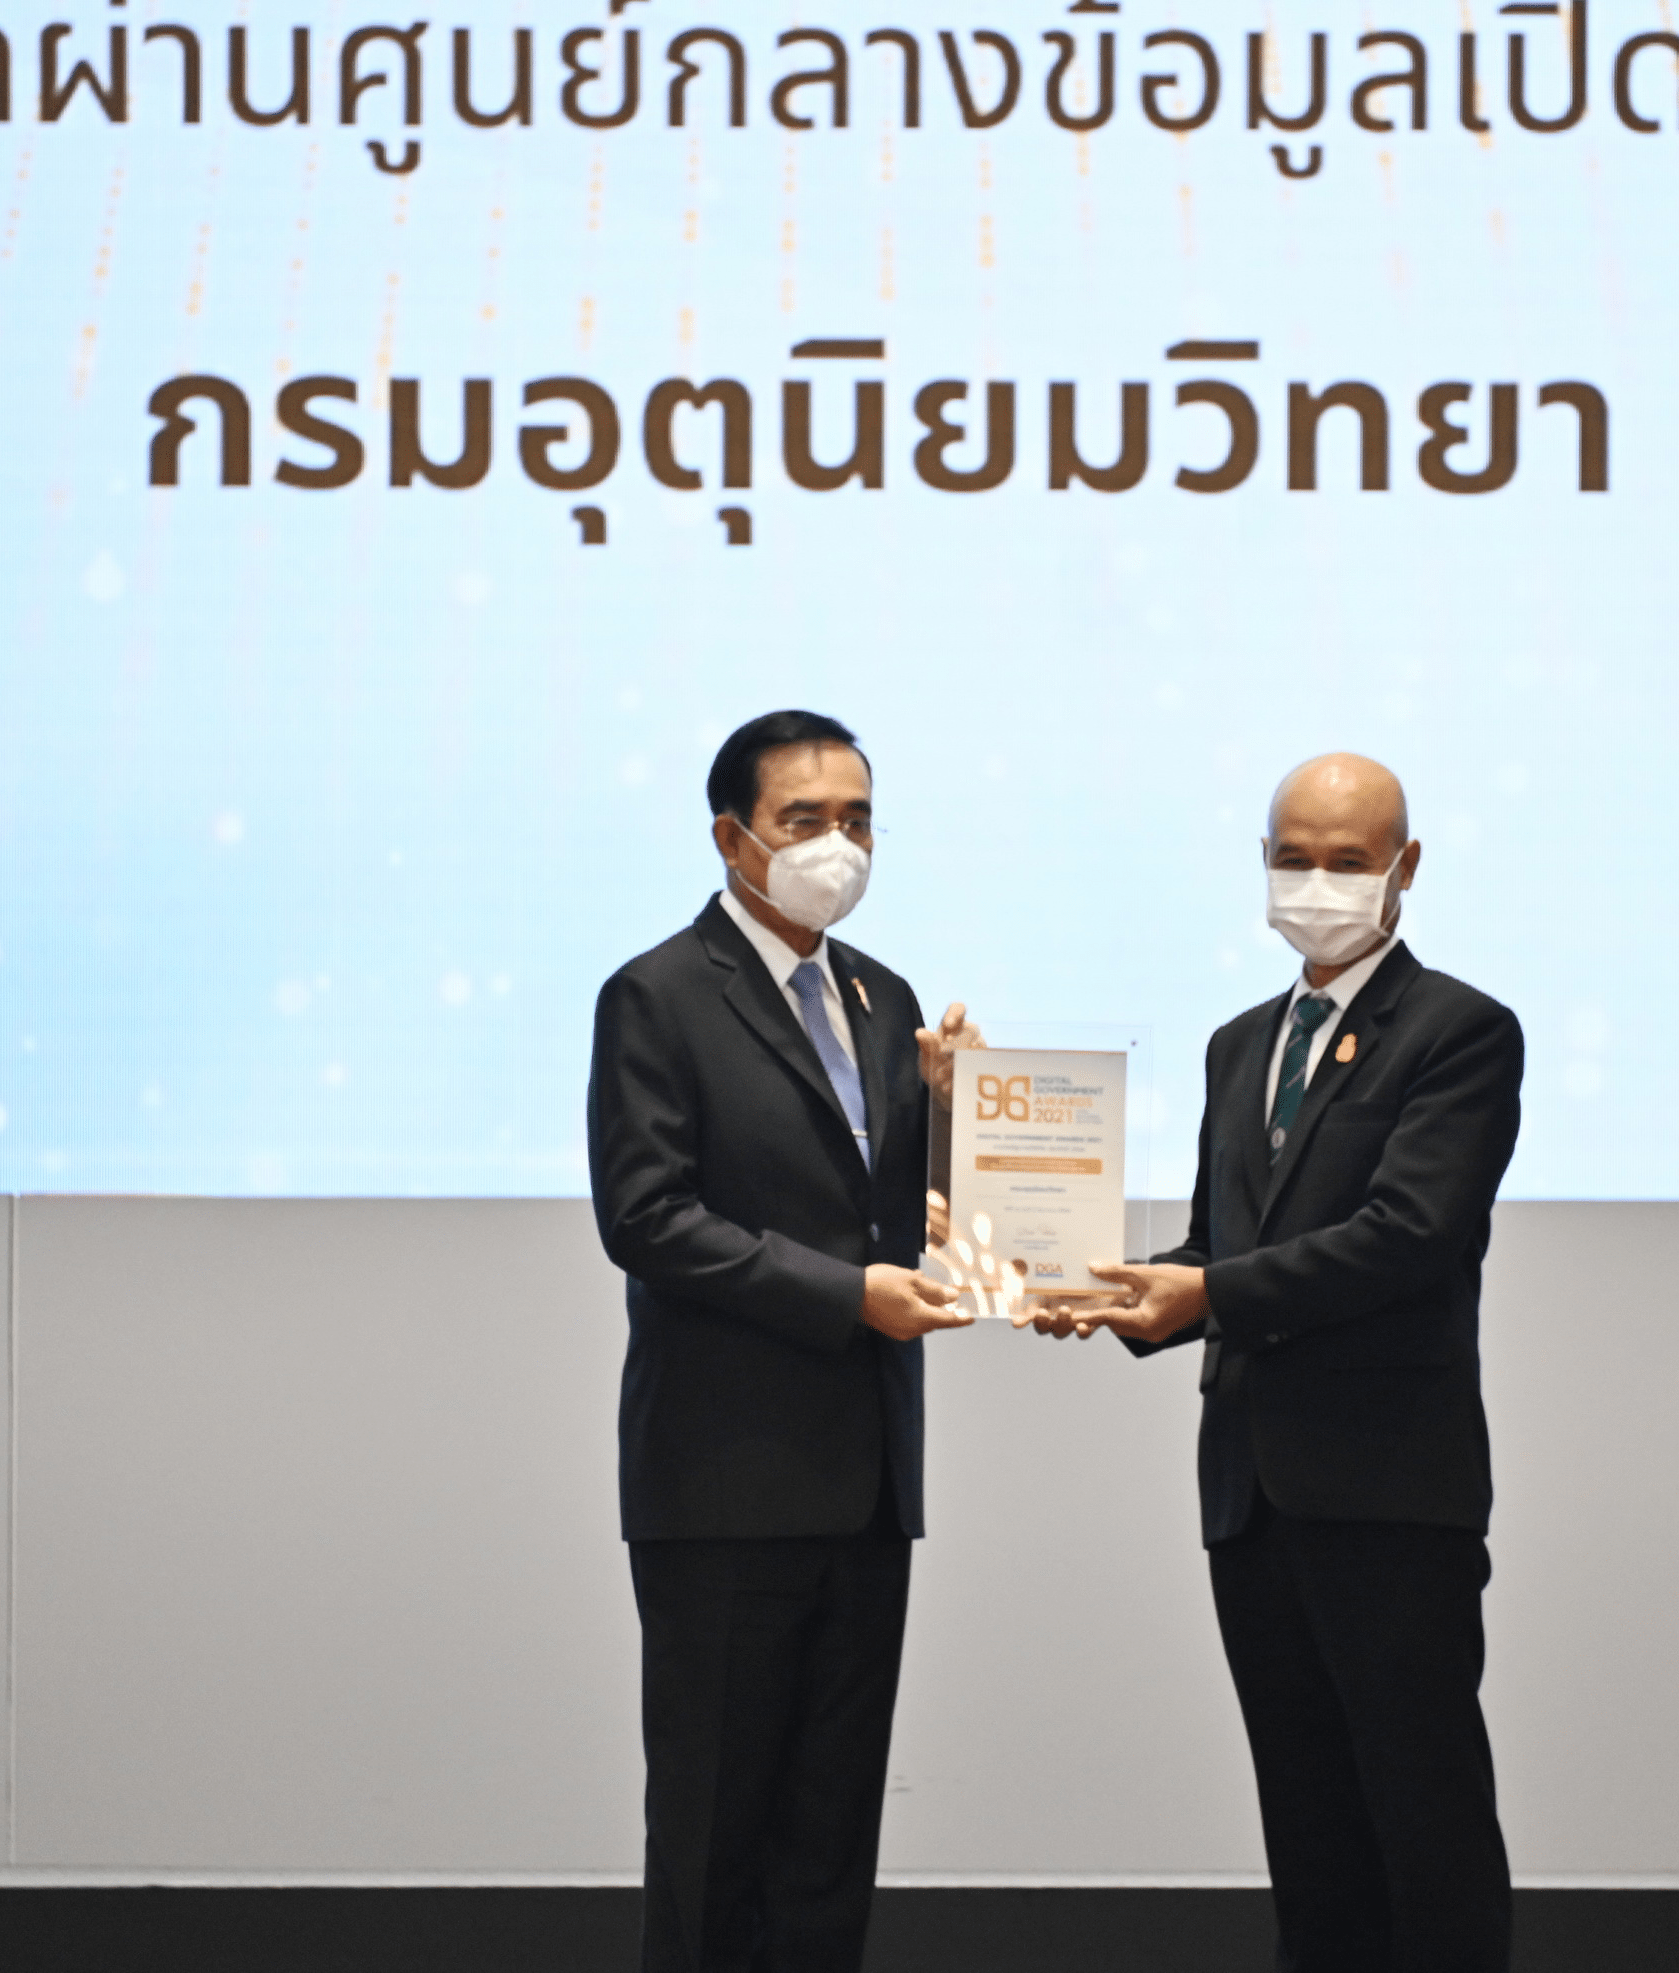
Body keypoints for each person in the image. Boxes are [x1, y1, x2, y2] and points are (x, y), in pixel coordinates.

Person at [1046, 752, 1526, 1973]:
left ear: (1405, 867)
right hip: (1251, 1494)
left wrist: (1207, 1292)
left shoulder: (1459, 1031)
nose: (1316, 882)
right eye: (1293, 857)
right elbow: (1222, 1245)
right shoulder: (1239, 1042)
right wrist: (1104, 1288)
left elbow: (1408, 1236)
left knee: (1423, 1822)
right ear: (1262, 861)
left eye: (1347, 860)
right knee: (1309, 1832)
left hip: (1387, 1493)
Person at [586, 709, 981, 1973]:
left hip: (866, 1480)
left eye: (857, 819)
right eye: (804, 819)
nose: (836, 845)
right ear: (732, 836)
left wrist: (958, 1118)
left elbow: (893, 1212)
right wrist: (845, 1295)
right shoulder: (658, 994)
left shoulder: (881, 994)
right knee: (715, 1835)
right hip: (726, 1480)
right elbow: (646, 1218)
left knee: (828, 1838)